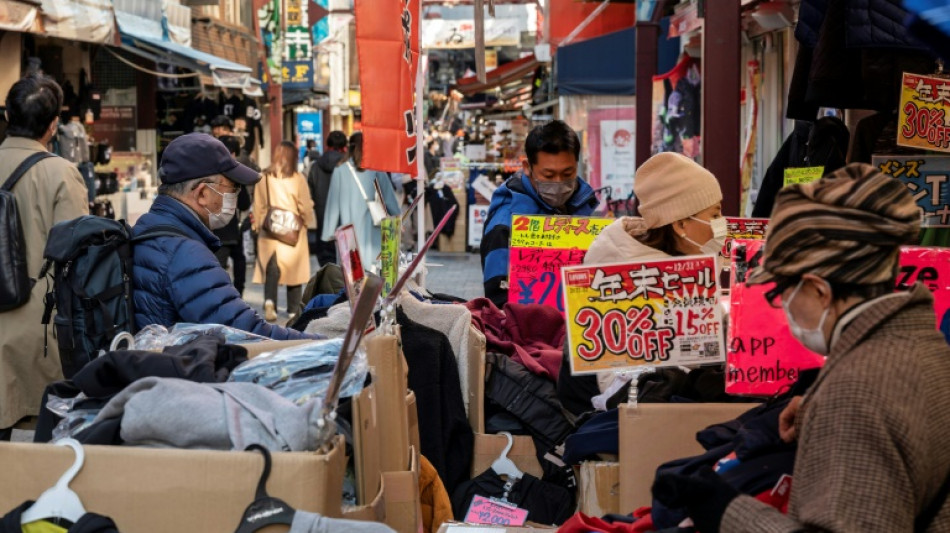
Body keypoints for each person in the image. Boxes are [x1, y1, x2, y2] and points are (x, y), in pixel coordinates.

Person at [653, 164, 950, 532]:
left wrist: (725, 508)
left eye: (780, 292)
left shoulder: (856, 391)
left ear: (819, 290)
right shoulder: (927, 348)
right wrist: (817, 408)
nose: (782, 306)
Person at [556, 151, 726, 415]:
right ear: (681, 224)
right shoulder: (626, 275)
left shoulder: (680, 263)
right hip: (611, 419)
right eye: (714, 215)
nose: (721, 225)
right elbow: (616, 388)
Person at [132, 133, 316, 341]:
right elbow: (247, 333)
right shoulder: (187, 254)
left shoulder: (148, 226)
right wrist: (324, 344)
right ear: (202, 193)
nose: (235, 197)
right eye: (232, 188)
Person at [0, 74, 89, 440]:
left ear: (8, 115)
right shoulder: (60, 174)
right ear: (53, 126)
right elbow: (78, 256)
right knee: (41, 445)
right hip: (36, 328)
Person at [480, 120, 597, 307]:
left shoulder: (580, 207)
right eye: (549, 175)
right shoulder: (504, 225)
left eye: (568, 173)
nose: (559, 183)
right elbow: (498, 302)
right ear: (527, 167)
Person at [253, 141, 316, 322]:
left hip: (270, 229)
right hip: (292, 231)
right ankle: (292, 311)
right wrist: (306, 221)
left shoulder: (264, 177)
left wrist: (258, 225)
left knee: (271, 267)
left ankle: (269, 301)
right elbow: (305, 206)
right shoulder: (297, 178)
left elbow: (258, 204)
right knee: (293, 271)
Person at [321, 132, 401, 271]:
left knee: (353, 274)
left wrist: (329, 231)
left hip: (349, 231)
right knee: (373, 270)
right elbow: (388, 197)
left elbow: (333, 204)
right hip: (374, 229)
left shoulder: (340, 170)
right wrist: (397, 216)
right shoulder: (376, 168)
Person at [212, 135, 253, 295]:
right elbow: (244, 204)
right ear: (234, 153)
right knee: (239, 261)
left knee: (217, 267)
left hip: (213, 229)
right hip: (231, 229)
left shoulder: (208, 173)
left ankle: (219, 297)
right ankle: (238, 294)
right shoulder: (236, 174)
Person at [308, 130, 347, 265]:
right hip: (346, 222)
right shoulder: (348, 166)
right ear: (344, 146)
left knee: (327, 267)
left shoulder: (315, 166)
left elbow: (310, 192)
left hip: (323, 221)